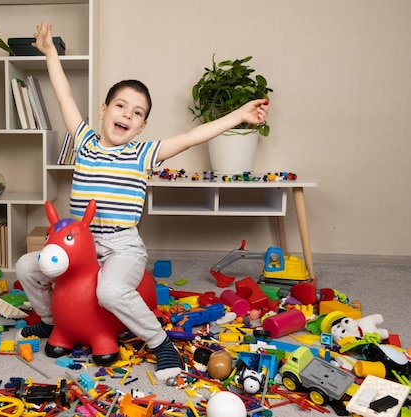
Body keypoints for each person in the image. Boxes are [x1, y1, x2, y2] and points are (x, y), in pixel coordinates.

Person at [16, 22, 269, 383]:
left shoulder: (144, 154)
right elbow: (64, 98)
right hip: (79, 245)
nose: (126, 115)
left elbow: (193, 137)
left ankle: (159, 341)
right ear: (103, 109)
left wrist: (238, 116)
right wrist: (51, 53)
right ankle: (51, 321)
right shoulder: (85, 141)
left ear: (142, 126)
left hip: (121, 245)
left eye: (136, 113)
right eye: (120, 106)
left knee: (109, 290)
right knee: (26, 266)